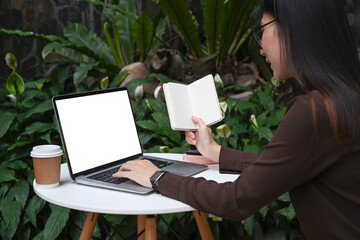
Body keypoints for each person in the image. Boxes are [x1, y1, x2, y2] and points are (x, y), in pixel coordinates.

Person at [113, 0, 360, 238]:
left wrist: (157, 177)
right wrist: (217, 152)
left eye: (262, 31)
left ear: (294, 29)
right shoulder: (342, 98)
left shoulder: (314, 112)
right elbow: (277, 170)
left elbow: (236, 200)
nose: (261, 47)